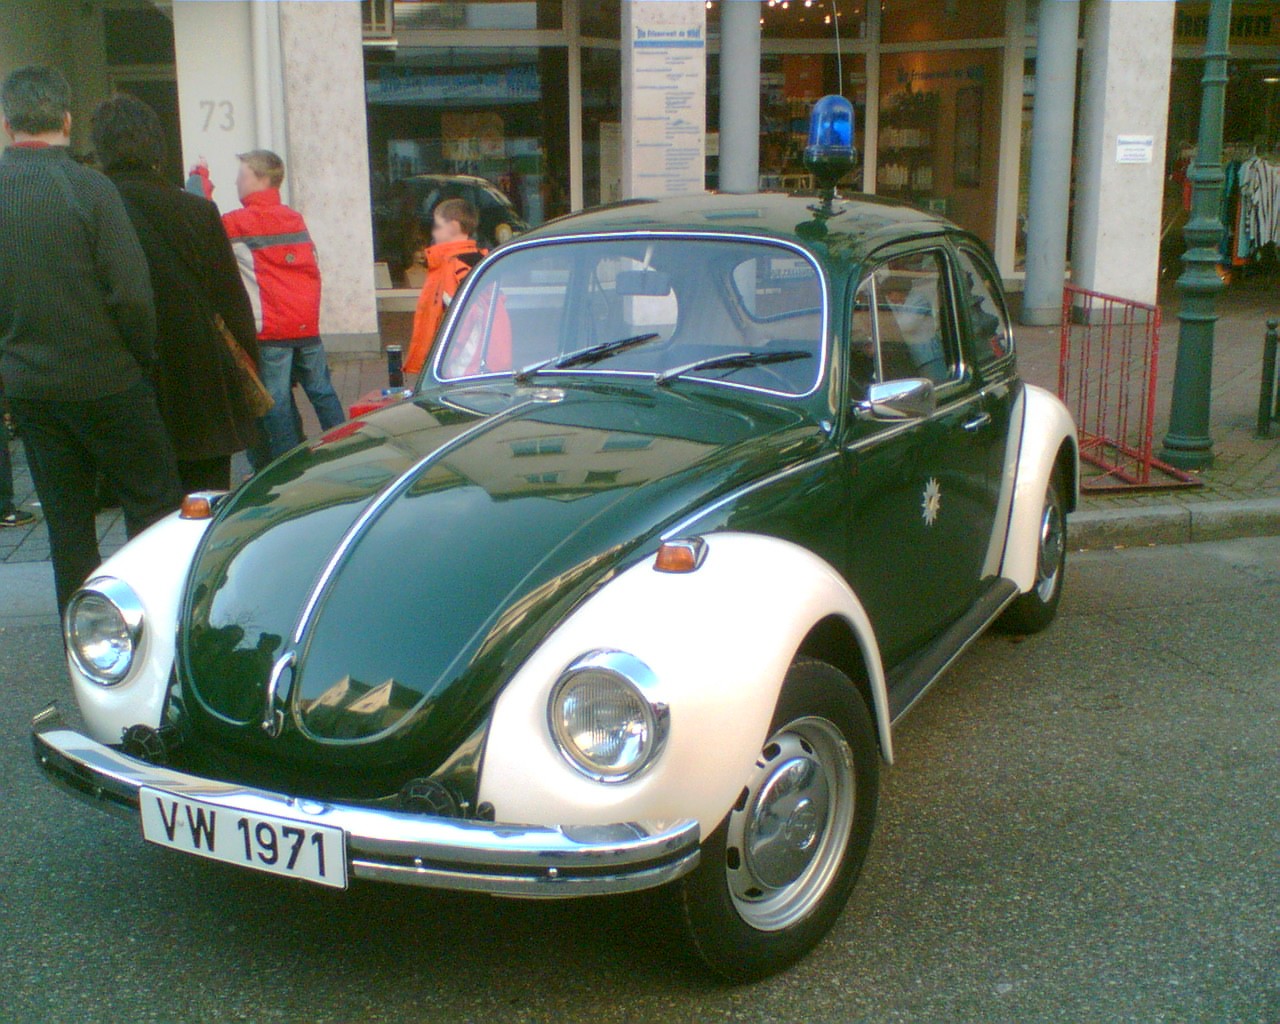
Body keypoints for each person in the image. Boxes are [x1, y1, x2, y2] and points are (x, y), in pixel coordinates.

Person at [0, 66, 183, 614]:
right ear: (66, 120)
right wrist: (141, 355)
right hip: (108, 377)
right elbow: (131, 292)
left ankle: (84, 635)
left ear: (7, 123)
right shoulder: (90, 188)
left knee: (67, 522)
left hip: (32, 385)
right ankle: (153, 623)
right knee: (152, 504)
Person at [91, 94, 261, 491]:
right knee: (203, 501)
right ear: (157, 146)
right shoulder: (197, 212)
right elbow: (232, 303)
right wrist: (249, 368)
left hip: (125, 380)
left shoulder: (94, 210)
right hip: (200, 382)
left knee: (146, 507)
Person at [220, 149, 345, 466]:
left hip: (272, 329)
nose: (236, 182)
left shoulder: (238, 223)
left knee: (276, 403)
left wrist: (200, 182)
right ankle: (348, 450)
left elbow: (203, 226)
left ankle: (290, 465)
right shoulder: (294, 218)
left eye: (242, 175)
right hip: (305, 324)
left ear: (260, 179)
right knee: (322, 391)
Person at [404, 198, 487, 375]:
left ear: (453, 227)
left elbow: (465, 321)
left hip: (459, 367)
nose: (433, 232)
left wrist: (440, 362)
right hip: (469, 361)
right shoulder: (480, 261)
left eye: (438, 226)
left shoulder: (454, 268)